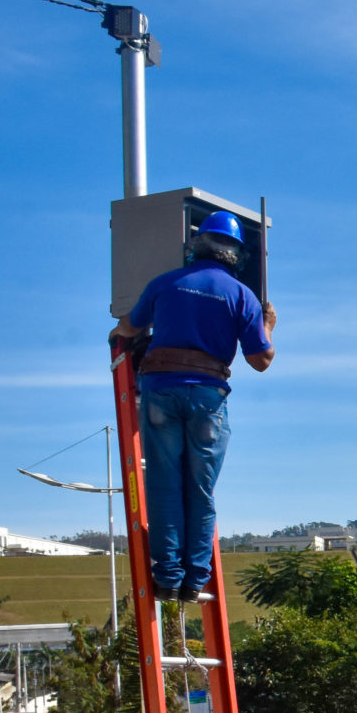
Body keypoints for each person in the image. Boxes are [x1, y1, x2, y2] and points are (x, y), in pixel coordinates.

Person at [110, 212, 276, 601]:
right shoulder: (241, 295)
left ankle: (167, 577)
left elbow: (129, 328)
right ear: (235, 253)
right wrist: (267, 325)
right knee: (199, 491)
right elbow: (261, 360)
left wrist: (119, 332)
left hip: (160, 389)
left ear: (195, 245)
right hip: (206, 397)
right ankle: (194, 579)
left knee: (164, 484)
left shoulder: (166, 283)